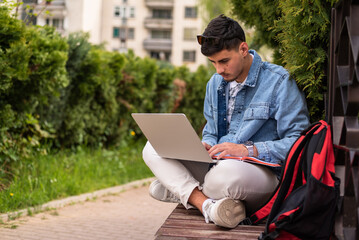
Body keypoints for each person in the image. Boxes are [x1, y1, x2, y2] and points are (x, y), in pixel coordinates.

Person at [142, 14, 310, 229]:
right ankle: (207, 206)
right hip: (217, 165)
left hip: (260, 174)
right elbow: (211, 131)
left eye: (224, 61)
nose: (219, 70)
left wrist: (247, 150)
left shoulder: (278, 82)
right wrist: (206, 145)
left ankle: (182, 190)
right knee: (152, 147)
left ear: (243, 49)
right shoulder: (214, 83)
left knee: (225, 175)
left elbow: (298, 143)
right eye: (213, 63)